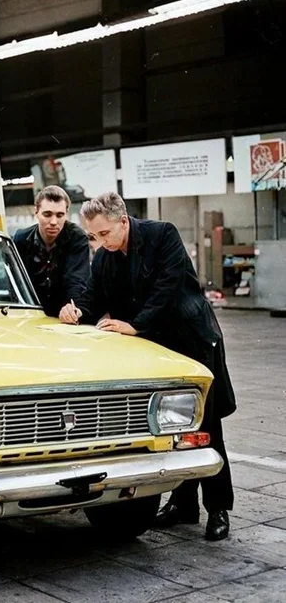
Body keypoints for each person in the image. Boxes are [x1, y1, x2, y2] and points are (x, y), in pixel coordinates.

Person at [59, 192, 236, 542]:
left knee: (205, 423)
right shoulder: (105, 256)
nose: (101, 242)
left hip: (192, 340)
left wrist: (134, 325)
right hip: (156, 347)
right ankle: (183, 505)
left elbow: (167, 289)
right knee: (168, 428)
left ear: (123, 222)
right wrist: (75, 310)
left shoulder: (162, 234)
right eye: (94, 236)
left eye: (105, 233)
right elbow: (94, 295)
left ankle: (218, 508)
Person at [13, 185, 90, 317]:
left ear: (66, 214)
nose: (53, 222)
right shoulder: (21, 238)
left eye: (60, 215)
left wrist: (72, 308)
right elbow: (16, 281)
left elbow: (76, 280)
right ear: (36, 212)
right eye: (47, 214)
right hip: (31, 312)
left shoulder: (77, 237)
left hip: (64, 313)